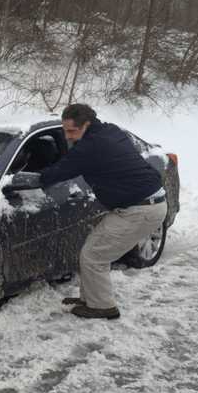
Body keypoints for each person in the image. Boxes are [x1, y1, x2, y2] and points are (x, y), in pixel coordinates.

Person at [39, 103, 167, 320]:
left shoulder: (90, 147)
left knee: (94, 255)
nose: (67, 137)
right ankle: (90, 298)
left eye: (72, 131)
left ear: (87, 124)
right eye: (65, 130)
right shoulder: (110, 130)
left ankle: (102, 307)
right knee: (93, 248)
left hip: (139, 209)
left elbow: (57, 172)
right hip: (147, 202)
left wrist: (37, 178)